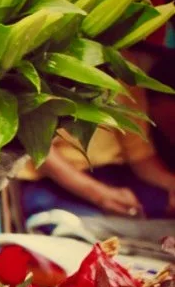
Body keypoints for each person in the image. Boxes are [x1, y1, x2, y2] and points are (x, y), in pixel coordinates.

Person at [17, 82, 175, 223]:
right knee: (74, 225)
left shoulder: (122, 67)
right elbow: (39, 150)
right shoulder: (45, 64)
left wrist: (170, 184)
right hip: (54, 181)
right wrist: (99, 195)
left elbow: (140, 156)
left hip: (116, 177)